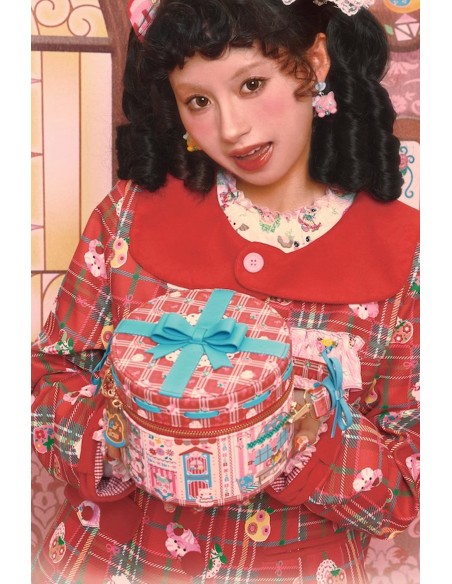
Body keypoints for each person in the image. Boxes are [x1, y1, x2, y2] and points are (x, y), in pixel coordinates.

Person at [31, 0, 420, 582]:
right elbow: (46, 379)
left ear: (315, 62)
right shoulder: (128, 215)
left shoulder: (407, 255)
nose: (232, 128)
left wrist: (309, 439)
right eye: (198, 101)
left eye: (252, 84)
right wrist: (116, 437)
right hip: (105, 562)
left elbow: (413, 478)